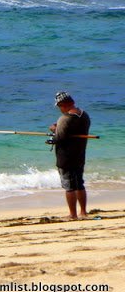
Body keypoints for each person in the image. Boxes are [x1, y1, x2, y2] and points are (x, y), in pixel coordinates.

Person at [48, 91, 91, 220]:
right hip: (79, 155)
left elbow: (59, 138)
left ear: (64, 104)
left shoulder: (64, 119)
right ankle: (83, 212)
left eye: (59, 106)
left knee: (69, 187)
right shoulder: (84, 115)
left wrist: (54, 130)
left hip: (66, 157)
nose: (59, 109)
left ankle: (72, 214)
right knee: (79, 184)